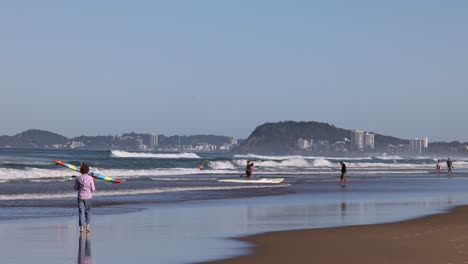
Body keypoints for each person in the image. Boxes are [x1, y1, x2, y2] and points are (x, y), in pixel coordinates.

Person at [74, 163, 95, 233]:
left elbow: (75, 188)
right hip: (88, 197)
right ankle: (88, 226)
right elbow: (93, 189)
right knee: (87, 211)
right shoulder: (90, 178)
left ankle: (81, 228)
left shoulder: (78, 178)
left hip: (80, 197)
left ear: (80, 171)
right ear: (88, 171)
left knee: (81, 212)